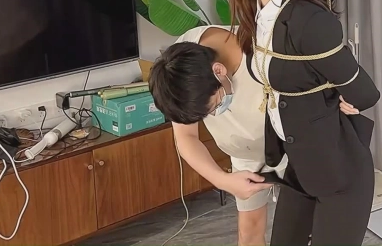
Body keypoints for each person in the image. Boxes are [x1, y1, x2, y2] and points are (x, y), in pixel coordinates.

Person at [218, 0, 380, 245]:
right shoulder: (259, 14)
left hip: (340, 175)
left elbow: (365, 93)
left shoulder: (308, 19)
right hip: (300, 168)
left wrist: (343, 100)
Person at [148, 24, 359, 245]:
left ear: (218, 71)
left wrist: (340, 95)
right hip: (246, 156)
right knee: (249, 233)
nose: (216, 114)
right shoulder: (178, 71)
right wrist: (222, 180)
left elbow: (324, 79)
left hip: (294, 149)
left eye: (215, 106)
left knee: (309, 230)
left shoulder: (266, 49)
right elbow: (186, 137)